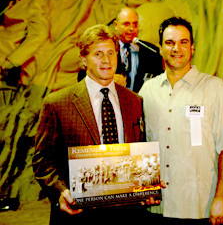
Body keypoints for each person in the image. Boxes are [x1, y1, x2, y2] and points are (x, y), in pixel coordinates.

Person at [33, 24, 146, 224]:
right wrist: (61, 192)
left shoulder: (134, 101)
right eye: (98, 54)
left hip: (127, 213)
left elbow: (139, 151)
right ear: (83, 59)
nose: (106, 60)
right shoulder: (57, 103)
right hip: (79, 215)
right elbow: (42, 161)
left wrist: (147, 184)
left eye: (111, 53)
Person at [139, 17, 223, 225]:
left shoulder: (215, 89)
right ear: (160, 48)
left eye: (183, 42)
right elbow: (140, 145)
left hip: (199, 207)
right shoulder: (147, 91)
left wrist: (221, 196)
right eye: (169, 42)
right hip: (156, 207)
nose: (177, 48)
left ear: (192, 48)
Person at [112, 7, 163, 91]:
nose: (131, 29)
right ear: (116, 25)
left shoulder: (151, 51)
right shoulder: (106, 48)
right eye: (126, 24)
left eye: (135, 24)